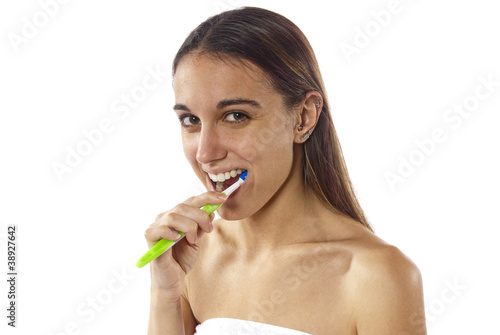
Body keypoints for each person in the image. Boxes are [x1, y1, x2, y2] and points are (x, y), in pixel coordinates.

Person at [144, 6, 426, 335]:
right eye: (190, 120)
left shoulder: (376, 276)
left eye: (236, 116)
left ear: (304, 117)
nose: (206, 153)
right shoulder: (193, 257)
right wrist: (164, 295)